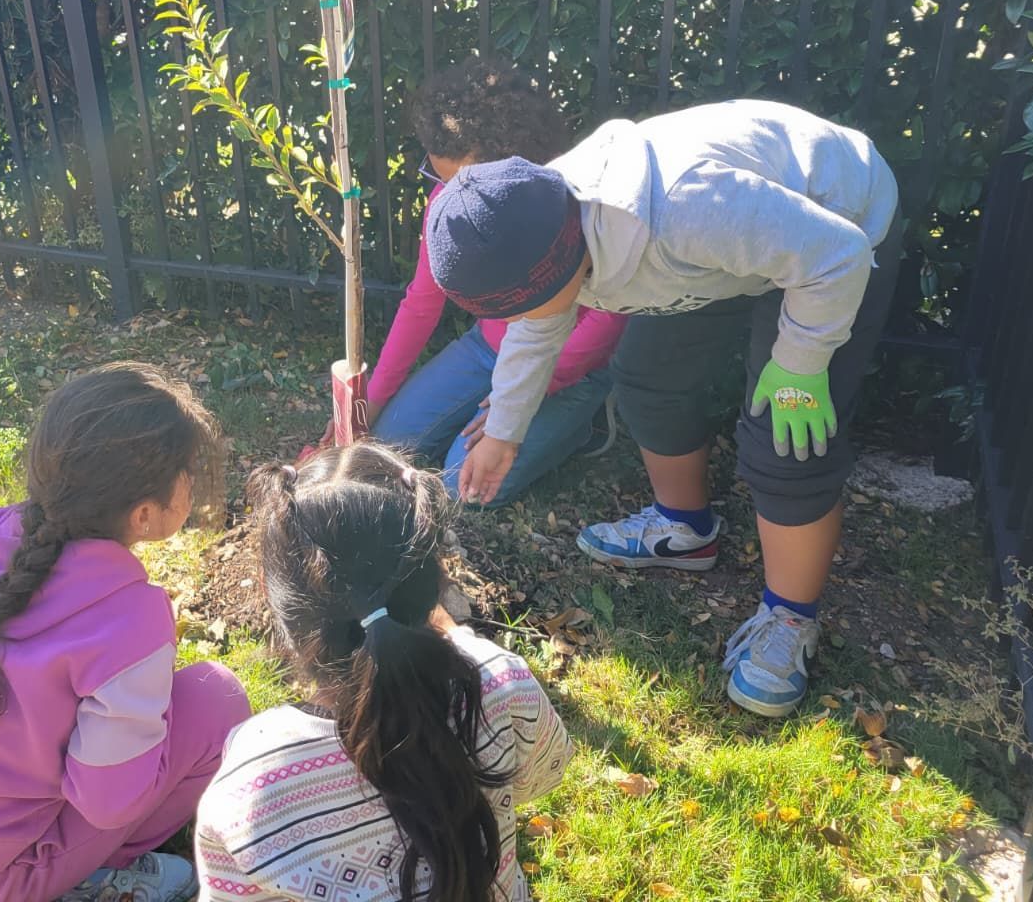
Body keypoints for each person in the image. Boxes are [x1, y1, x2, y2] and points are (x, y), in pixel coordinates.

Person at [426, 101, 901, 718]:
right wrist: (506, 432)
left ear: (566, 261)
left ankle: (790, 620)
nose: (520, 319)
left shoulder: (692, 209)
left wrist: (801, 364)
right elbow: (539, 323)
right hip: (736, 253)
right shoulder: (543, 225)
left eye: (522, 304)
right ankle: (685, 530)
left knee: (783, 433)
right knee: (647, 374)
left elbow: (836, 253)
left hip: (838, 234)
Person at [0, 364, 251, 902]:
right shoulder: (130, 620)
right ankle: (91, 878)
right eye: (188, 471)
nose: (193, 482)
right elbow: (109, 802)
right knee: (220, 698)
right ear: (144, 515)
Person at [195, 441, 572, 902]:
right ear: (435, 585)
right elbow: (542, 777)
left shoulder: (252, 779)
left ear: (282, 611)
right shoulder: (501, 682)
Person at [370, 60, 627, 508]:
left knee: (461, 490)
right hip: (486, 348)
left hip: (567, 367)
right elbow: (421, 304)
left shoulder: (570, 200)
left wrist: (521, 400)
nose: (443, 194)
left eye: (453, 180)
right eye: (438, 178)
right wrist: (371, 400)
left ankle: (583, 424)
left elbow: (607, 322)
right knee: (385, 447)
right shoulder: (449, 202)